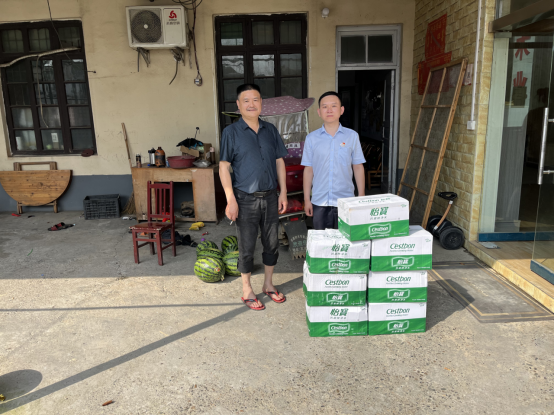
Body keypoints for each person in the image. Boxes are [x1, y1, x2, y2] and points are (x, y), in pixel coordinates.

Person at [219, 84, 289, 311]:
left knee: (272, 243)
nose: (251, 104)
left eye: (255, 99)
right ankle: (247, 289)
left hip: (270, 196)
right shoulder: (231, 132)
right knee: (247, 245)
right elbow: (224, 167)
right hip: (245, 198)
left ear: (261, 103)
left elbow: (279, 161)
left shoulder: (270, 130)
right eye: (246, 100)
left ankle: (268, 284)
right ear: (238, 105)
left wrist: (283, 192)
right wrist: (230, 199)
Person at [301, 91, 366, 230]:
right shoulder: (311, 139)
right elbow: (308, 170)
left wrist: (361, 197)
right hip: (319, 202)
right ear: (319, 112)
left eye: (334, 106)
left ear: (341, 110)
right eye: (324, 107)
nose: (329, 110)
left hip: (346, 201)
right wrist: (307, 199)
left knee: (345, 240)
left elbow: (358, 166)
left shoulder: (352, 136)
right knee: (322, 241)